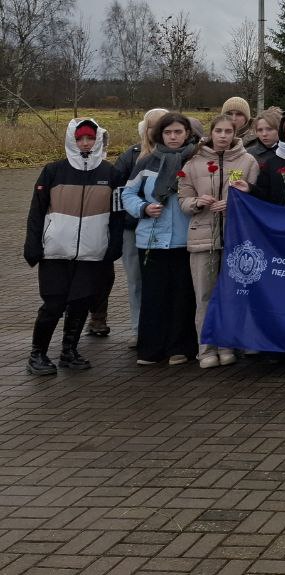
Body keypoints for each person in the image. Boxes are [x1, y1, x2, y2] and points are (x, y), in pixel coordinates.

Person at [24, 119, 123, 375]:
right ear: (72, 140)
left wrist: (114, 245)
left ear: (98, 139)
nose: (85, 143)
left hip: (92, 253)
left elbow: (117, 215)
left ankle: (69, 351)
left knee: (80, 302)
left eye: (90, 138)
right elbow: (36, 212)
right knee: (53, 305)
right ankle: (38, 354)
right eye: (80, 138)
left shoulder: (110, 174)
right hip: (55, 252)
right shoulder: (53, 171)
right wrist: (33, 244)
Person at [178, 114, 259, 369]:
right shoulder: (192, 163)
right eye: (219, 131)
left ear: (235, 133)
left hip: (236, 239)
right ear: (211, 133)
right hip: (203, 237)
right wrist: (196, 202)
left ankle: (227, 344)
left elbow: (256, 198)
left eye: (228, 131)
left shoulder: (247, 161)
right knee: (204, 295)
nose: (223, 136)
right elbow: (183, 199)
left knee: (232, 294)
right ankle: (206, 349)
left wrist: (238, 200)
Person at [122, 112, 201, 366]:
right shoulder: (146, 162)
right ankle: (151, 349)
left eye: (178, 132)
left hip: (184, 238)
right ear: (160, 135)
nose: (173, 137)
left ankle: (180, 347)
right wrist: (143, 207)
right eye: (168, 132)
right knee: (154, 296)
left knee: (182, 296)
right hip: (152, 239)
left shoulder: (195, 159)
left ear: (187, 133)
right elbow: (128, 193)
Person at [111, 107, 168, 348]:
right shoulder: (131, 156)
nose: (156, 130)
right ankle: (138, 329)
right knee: (136, 281)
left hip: (165, 230)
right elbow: (117, 193)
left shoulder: (175, 155)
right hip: (132, 229)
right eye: (152, 125)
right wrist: (131, 216)